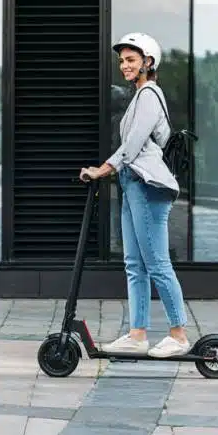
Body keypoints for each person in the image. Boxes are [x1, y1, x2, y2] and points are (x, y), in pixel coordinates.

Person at [79, 32, 191, 358]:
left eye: (131, 60)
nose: (124, 65)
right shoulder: (138, 97)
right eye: (122, 60)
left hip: (147, 187)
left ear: (148, 62)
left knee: (156, 263)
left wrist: (102, 169)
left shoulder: (150, 95)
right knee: (134, 264)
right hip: (131, 186)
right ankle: (137, 334)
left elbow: (132, 146)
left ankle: (179, 334)